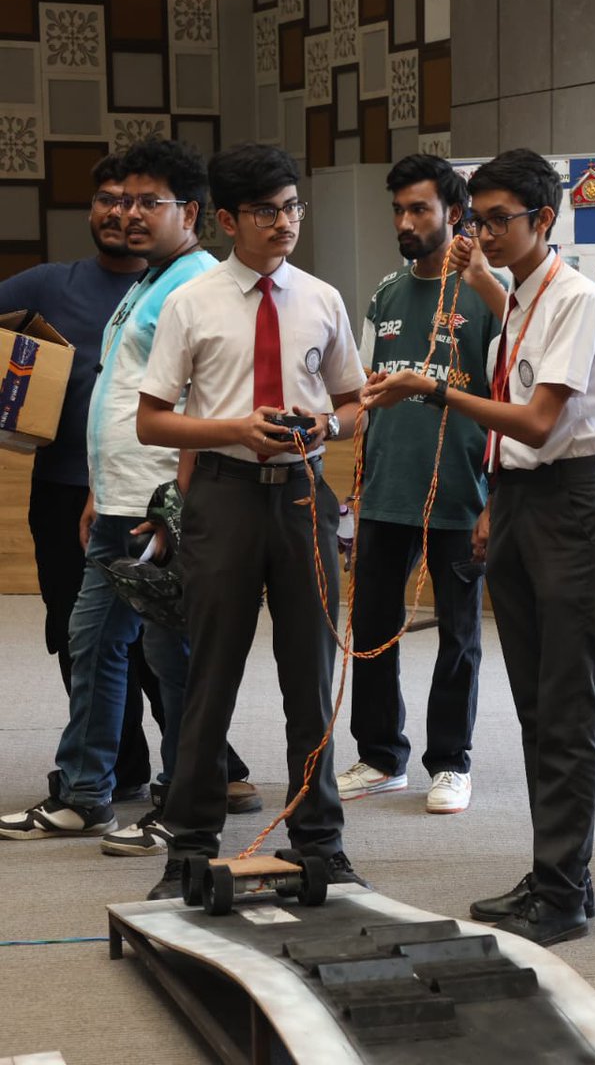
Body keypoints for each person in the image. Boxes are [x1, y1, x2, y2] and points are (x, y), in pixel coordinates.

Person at [361, 148, 595, 946]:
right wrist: (493, 498)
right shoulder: (516, 298)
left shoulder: (573, 298)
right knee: (536, 707)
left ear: (543, 219)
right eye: (475, 220)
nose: (481, 234)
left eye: (498, 220)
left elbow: (539, 423)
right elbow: (515, 410)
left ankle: (563, 894)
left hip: (568, 504)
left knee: (566, 708)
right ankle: (556, 873)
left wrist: (433, 388)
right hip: (516, 499)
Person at [0, 138, 257, 851]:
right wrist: (98, 490)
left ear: (191, 212)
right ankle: (86, 795)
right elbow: (118, 399)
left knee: (171, 658)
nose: (131, 214)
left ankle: (188, 802)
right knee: (89, 643)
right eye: (119, 200)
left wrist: (176, 505)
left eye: (150, 202)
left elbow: (207, 400)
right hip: (114, 502)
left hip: (160, 509)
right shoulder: (151, 282)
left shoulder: (199, 288)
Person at [137, 142, 367, 899]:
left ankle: (320, 842)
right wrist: (234, 428)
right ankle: (189, 845)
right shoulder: (191, 302)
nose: (285, 223)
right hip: (224, 494)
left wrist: (328, 427)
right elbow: (152, 421)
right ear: (228, 221)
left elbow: (355, 405)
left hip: (301, 494)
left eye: (293, 207)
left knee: (311, 676)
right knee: (211, 676)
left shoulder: (323, 298)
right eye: (266, 211)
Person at [336, 153, 502, 815]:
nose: (405, 222)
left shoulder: (488, 292)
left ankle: (451, 762)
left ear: (454, 214)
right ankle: (380, 757)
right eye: (398, 210)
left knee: (458, 634)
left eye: (419, 209)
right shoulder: (384, 294)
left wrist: (495, 498)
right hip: (385, 491)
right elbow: (363, 395)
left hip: (461, 492)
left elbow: (511, 397)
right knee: (372, 626)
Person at [0, 154, 162, 800]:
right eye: (107, 199)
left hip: (151, 487)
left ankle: (212, 764)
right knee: (76, 629)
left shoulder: (175, 287)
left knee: (159, 630)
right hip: (63, 487)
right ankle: (119, 768)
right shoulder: (48, 284)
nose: (120, 212)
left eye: (136, 200)